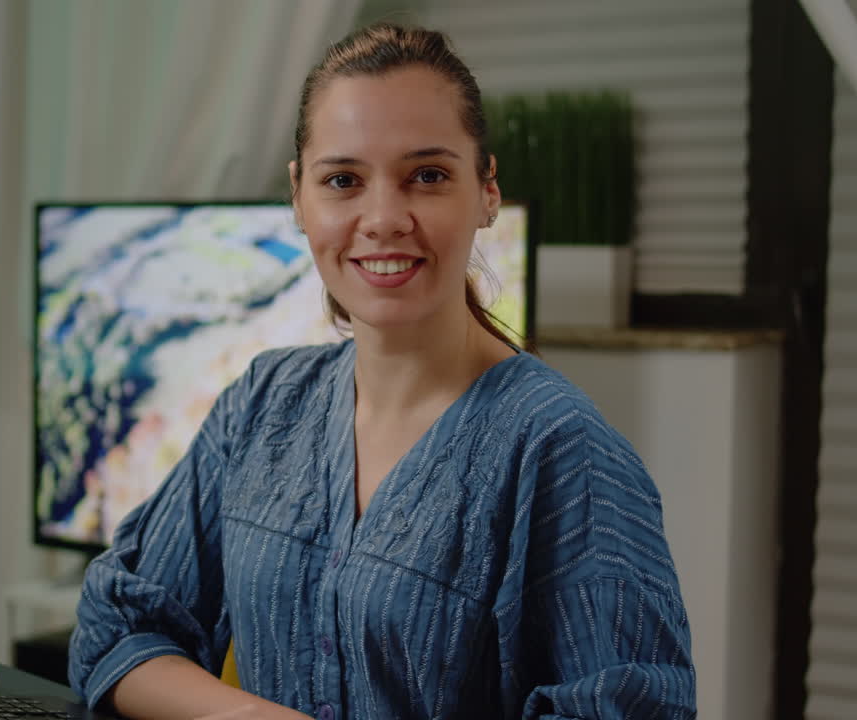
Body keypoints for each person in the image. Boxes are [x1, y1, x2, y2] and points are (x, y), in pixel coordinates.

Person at [70, 23, 696, 720]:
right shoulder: (262, 405)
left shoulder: (562, 452)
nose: (383, 219)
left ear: (487, 191)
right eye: (343, 180)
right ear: (299, 198)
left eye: (427, 176)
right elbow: (116, 630)